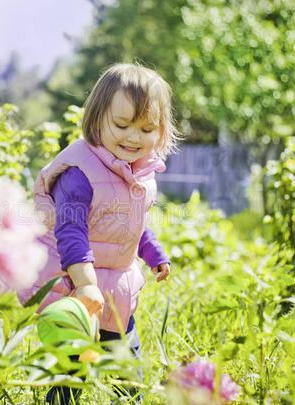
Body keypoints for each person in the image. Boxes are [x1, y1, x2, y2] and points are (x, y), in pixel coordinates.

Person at [17, 62, 179, 404]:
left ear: (162, 131)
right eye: (122, 125)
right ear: (97, 120)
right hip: (71, 290)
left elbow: (131, 222)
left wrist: (153, 253)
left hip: (116, 295)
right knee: (69, 377)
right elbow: (71, 231)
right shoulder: (79, 174)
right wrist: (85, 285)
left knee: (127, 376)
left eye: (147, 129)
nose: (134, 137)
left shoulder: (138, 172)